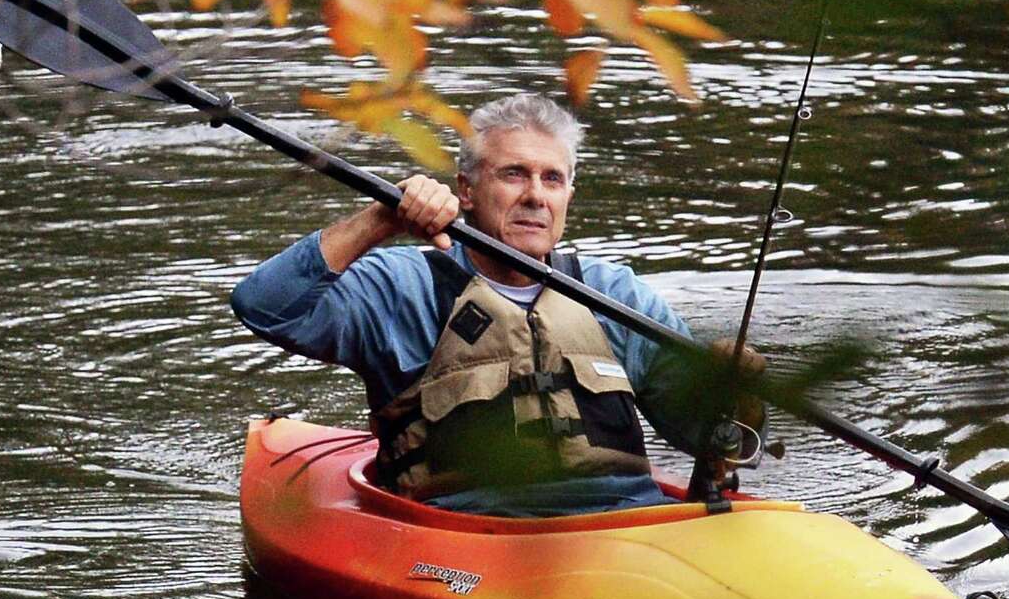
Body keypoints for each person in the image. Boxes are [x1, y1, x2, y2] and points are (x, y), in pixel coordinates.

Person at [231, 93, 760, 516]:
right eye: (514, 174)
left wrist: (731, 393)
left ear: (568, 197)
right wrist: (380, 220)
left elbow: (713, 438)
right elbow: (266, 307)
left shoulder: (614, 294)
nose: (535, 195)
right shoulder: (403, 288)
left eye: (552, 179)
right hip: (474, 536)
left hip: (623, 526)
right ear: (466, 190)